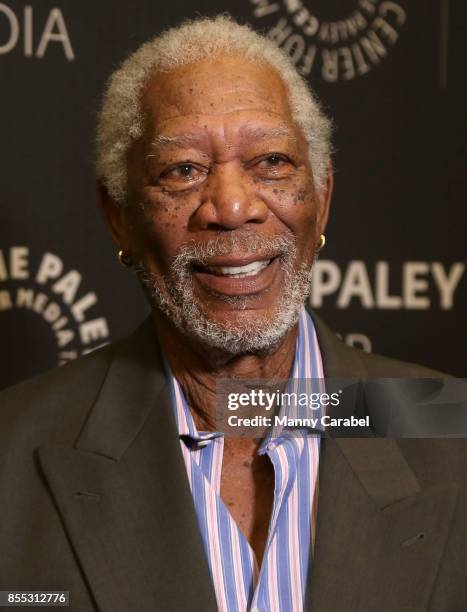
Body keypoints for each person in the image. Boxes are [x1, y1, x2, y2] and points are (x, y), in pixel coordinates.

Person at [0, 15, 466, 612]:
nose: (233, 206)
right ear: (119, 214)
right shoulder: (14, 454)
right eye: (183, 170)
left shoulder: (449, 427)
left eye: (271, 161)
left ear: (322, 199)